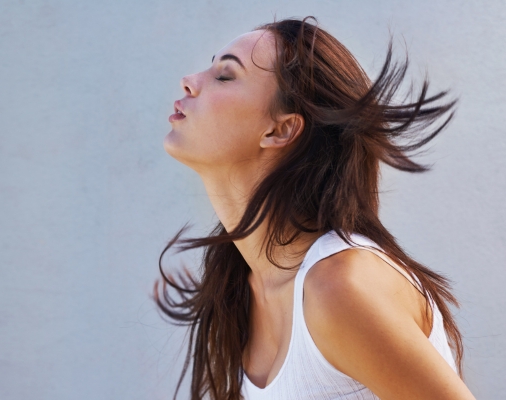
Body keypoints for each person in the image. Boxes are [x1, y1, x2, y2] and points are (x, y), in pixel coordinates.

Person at [155, 17, 476, 400]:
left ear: (280, 130)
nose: (190, 80)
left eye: (225, 75)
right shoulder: (242, 285)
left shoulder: (337, 286)